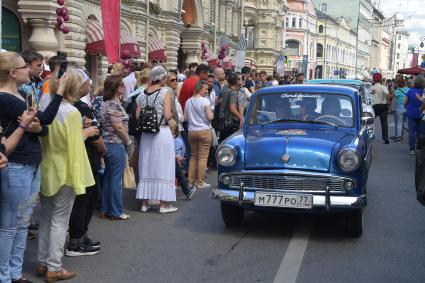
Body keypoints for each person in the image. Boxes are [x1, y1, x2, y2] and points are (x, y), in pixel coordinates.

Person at [0, 51, 65, 283]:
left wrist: (38, 127)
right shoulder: (5, 98)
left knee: (21, 223)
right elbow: (44, 121)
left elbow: (41, 127)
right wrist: (58, 93)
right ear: (12, 73)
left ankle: (15, 273)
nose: (29, 70)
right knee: (9, 225)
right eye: (23, 67)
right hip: (16, 165)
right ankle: (5, 276)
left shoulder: (20, 94)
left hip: (28, 164)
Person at [37, 67, 98, 282]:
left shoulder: (45, 106)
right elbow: (74, 146)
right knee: (59, 221)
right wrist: (86, 132)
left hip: (46, 167)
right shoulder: (71, 112)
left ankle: (43, 263)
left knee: (45, 217)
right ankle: (54, 266)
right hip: (65, 169)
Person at [66, 69, 106, 257]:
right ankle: (76, 239)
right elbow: (94, 135)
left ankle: (80, 235)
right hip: (85, 157)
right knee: (85, 197)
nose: (89, 87)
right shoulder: (78, 107)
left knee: (89, 196)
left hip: (85, 156)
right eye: (86, 83)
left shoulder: (74, 105)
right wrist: (102, 149)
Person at [136, 65, 178, 213]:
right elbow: (167, 115)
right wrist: (172, 122)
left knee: (146, 166)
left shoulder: (142, 93)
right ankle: (163, 204)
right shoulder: (165, 92)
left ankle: (144, 203)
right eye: (165, 77)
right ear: (161, 78)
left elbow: (137, 115)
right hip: (161, 132)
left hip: (146, 134)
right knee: (163, 166)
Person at [100, 75, 132, 220]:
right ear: (115, 88)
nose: (124, 88)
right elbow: (118, 126)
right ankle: (115, 210)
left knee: (108, 177)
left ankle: (106, 208)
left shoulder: (106, 103)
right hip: (115, 142)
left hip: (107, 142)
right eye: (122, 85)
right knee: (115, 179)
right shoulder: (113, 104)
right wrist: (128, 141)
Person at [184, 80, 214, 189]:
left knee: (193, 156)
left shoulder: (188, 101)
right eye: (205, 89)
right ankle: (200, 181)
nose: (207, 91)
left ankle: (190, 181)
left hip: (192, 131)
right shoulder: (205, 101)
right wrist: (212, 114)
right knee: (203, 157)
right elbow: (210, 117)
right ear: (199, 88)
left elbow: (185, 118)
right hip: (204, 130)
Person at [219, 72, 244, 142]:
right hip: (230, 121)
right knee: (230, 142)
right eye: (239, 79)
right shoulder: (234, 93)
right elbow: (232, 108)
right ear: (237, 81)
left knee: (222, 140)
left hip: (222, 120)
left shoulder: (225, 88)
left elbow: (219, 100)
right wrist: (241, 118)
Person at [405, 75, 425, 155]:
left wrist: (406, 105)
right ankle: (420, 148)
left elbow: (405, 101)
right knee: (421, 132)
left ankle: (412, 149)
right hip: (421, 113)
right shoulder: (423, 91)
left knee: (411, 132)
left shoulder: (410, 91)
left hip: (411, 113)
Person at [370, 73, 390, 144]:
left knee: (371, 121)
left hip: (374, 106)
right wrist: (387, 102)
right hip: (383, 105)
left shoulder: (371, 88)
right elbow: (387, 94)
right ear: (381, 79)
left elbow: (370, 96)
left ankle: (370, 135)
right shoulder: (383, 87)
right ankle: (386, 138)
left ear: (373, 79)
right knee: (384, 122)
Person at [174, 132, 196, 199]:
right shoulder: (176, 139)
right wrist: (176, 157)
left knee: (178, 173)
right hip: (171, 157)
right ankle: (187, 191)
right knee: (178, 173)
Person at [392, 76, 409, 143]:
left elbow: (390, 97)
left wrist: (393, 89)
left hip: (399, 107)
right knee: (408, 122)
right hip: (407, 107)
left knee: (399, 122)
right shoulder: (408, 89)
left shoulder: (397, 91)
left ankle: (399, 137)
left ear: (397, 84)